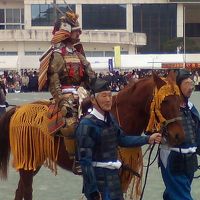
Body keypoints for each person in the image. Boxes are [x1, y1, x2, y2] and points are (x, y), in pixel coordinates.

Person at [75, 78, 161, 200]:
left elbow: (122, 139)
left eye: (110, 95)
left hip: (114, 180)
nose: (108, 99)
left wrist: (147, 139)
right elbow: (85, 162)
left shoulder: (110, 119)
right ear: (93, 100)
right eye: (104, 96)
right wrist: (93, 191)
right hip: (100, 183)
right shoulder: (86, 124)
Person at [38, 10, 96, 159]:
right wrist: (61, 99)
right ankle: (76, 158)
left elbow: (90, 74)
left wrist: (98, 88)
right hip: (66, 94)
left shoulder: (78, 53)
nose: (78, 34)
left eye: (78, 31)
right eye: (75, 31)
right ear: (65, 32)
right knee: (71, 123)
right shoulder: (58, 54)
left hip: (83, 93)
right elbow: (54, 79)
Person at [159, 69, 200, 200]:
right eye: (186, 83)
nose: (191, 87)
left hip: (190, 158)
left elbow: (197, 133)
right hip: (173, 156)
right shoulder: (167, 107)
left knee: (177, 192)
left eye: (191, 83)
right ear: (177, 86)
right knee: (182, 196)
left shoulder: (191, 107)